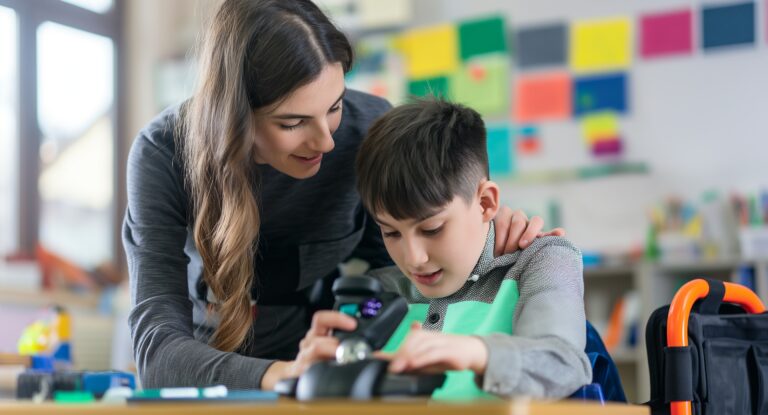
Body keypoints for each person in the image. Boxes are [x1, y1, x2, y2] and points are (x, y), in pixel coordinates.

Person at [123, 0, 557, 392]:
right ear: (233, 117)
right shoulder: (163, 153)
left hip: (326, 353)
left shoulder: (367, 129)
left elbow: (403, 276)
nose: (326, 142)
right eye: (292, 123)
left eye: (334, 106)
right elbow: (157, 351)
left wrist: (491, 247)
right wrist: (279, 375)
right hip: (203, 360)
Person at [262, 98, 592, 415]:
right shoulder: (378, 290)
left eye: (431, 228)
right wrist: (313, 379)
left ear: (487, 203)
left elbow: (563, 362)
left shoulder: (541, 260)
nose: (413, 257)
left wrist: (473, 351)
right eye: (391, 232)